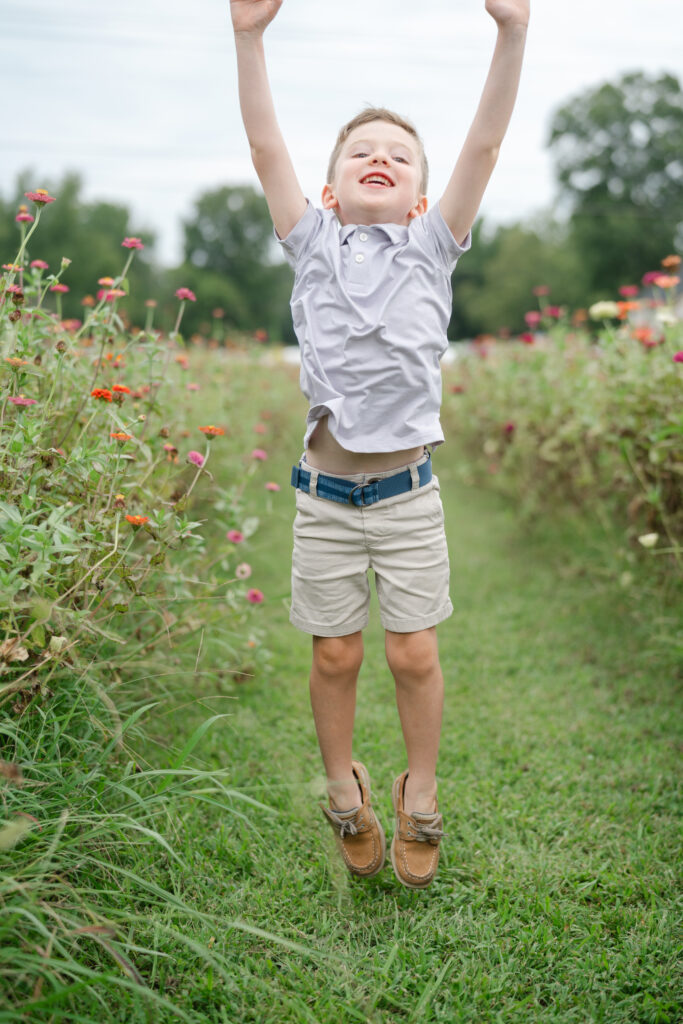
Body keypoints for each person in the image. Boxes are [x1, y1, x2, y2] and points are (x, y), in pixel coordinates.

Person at [230, 0, 529, 889]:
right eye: (360, 150)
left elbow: (481, 145)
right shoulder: (311, 243)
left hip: (406, 496)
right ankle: (343, 788)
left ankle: (418, 788)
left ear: (422, 196)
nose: (378, 159)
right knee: (335, 652)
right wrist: (247, 38)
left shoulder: (432, 247)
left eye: (398, 156)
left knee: (411, 651)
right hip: (324, 498)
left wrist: (511, 32)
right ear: (328, 189)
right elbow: (265, 148)